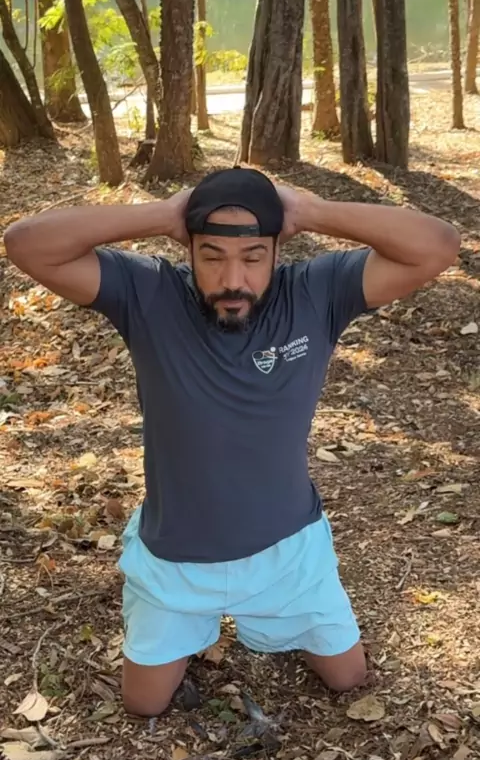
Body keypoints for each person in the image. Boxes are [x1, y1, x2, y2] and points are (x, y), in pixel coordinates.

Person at [4, 167, 460, 718]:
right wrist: (162, 213)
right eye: (212, 255)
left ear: (277, 250)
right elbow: (26, 244)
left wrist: (310, 210)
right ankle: (180, 613)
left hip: (288, 553)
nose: (232, 279)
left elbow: (438, 246)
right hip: (175, 559)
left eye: (253, 257)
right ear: (188, 248)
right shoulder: (149, 294)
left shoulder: (316, 293)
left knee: (349, 677)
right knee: (144, 705)